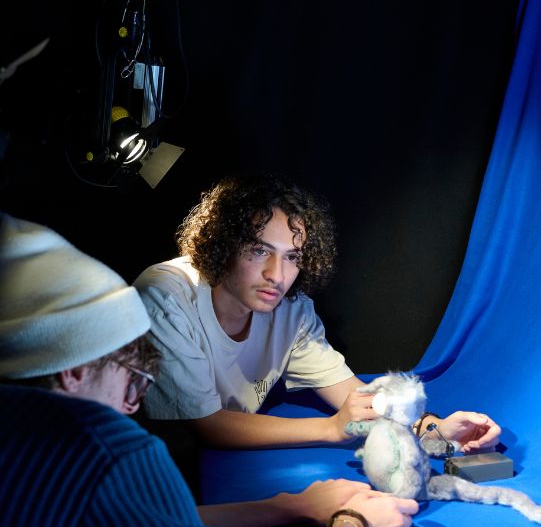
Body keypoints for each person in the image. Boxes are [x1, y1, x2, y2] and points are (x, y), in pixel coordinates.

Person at [0, 213, 418, 527]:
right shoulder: (107, 457)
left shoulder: (23, 451)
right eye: (131, 378)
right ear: (74, 370)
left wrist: (289, 507)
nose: (131, 406)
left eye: (292, 257)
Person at [133, 173, 501, 468]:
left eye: (292, 257)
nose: (277, 275)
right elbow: (208, 425)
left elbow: (353, 395)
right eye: (259, 250)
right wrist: (330, 429)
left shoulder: (291, 310)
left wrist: (432, 429)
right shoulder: (166, 297)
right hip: (149, 470)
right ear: (222, 244)